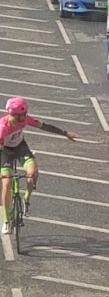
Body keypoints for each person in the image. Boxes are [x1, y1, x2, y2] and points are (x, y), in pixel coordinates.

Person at [0, 97, 79, 234]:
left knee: (33, 172)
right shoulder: (3, 128)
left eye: (25, 114)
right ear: (13, 115)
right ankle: (6, 221)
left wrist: (65, 133)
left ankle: (26, 201)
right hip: (5, 151)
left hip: (20, 147)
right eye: (22, 115)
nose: (25, 117)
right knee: (6, 183)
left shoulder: (25, 119)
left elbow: (45, 126)